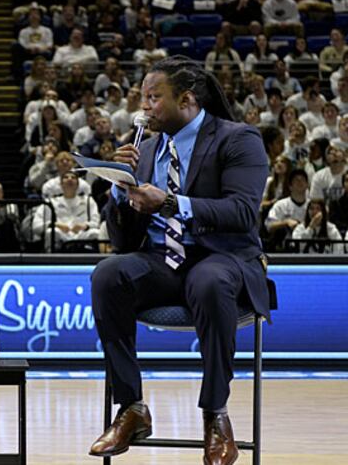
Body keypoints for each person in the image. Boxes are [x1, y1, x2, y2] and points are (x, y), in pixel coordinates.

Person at [88, 56, 271, 465]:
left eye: (154, 98)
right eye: (143, 98)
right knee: (107, 275)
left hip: (222, 257)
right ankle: (132, 407)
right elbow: (122, 242)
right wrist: (120, 189)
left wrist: (171, 202)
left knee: (208, 282)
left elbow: (242, 212)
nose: (145, 107)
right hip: (162, 261)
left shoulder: (238, 139)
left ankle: (216, 415)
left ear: (186, 99)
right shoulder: (147, 149)